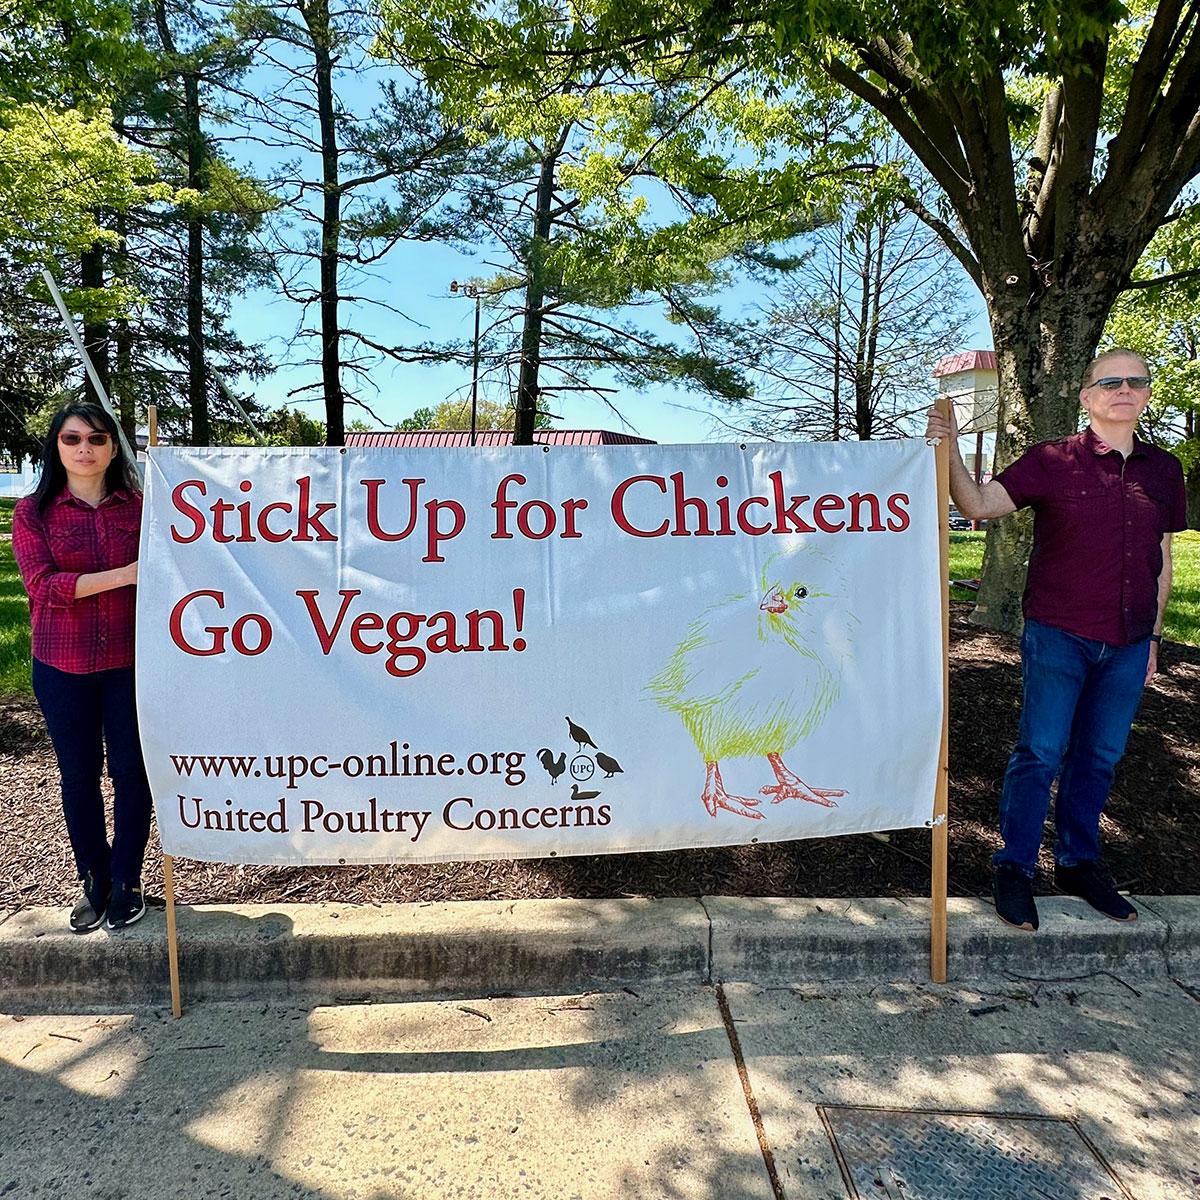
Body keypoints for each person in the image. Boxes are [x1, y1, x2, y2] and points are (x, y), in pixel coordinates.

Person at [926, 349, 1187, 931]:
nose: (1125, 389)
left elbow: (1163, 557)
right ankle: (1014, 867)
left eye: (1136, 381)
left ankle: (1077, 863)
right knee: (1040, 753)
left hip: (1128, 641)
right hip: (1059, 635)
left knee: (1099, 757)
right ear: (1087, 397)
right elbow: (978, 504)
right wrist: (945, 450)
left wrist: (1154, 638)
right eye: (1110, 381)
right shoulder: (1052, 461)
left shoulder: (1164, 471)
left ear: (1145, 395)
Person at [12, 402, 151, 932]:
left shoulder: (142, 508)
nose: (85, 448)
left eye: (97, 438)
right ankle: (92, 876)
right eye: (72, 439)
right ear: (58, 447)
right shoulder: (34, 512)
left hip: (129, 662)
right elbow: (43, 589)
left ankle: (126, 879)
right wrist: (128, 574)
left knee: (131, 773)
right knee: (78, 775)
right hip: (60, 664)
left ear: (114, 447)